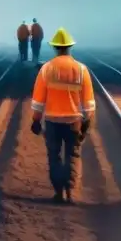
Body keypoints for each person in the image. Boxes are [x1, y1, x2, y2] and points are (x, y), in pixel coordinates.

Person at [29, 28, 95, 203]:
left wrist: (36, 120)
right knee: (72, 156)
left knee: (54, 156)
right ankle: (70, 192)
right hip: (74, 122)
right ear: (69, 47)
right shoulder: (82, 70)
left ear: (55, 48)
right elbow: (89, 102)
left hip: (52, 122)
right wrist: (87, 122)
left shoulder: (46, 69)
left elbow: (38, 101)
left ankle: (59, 192)